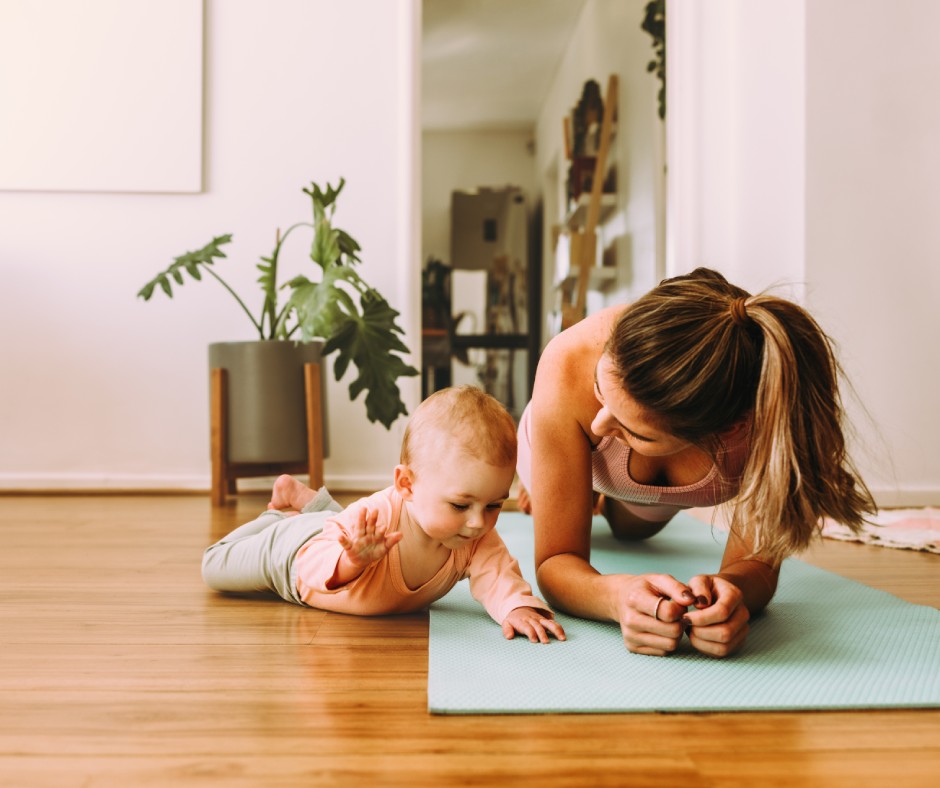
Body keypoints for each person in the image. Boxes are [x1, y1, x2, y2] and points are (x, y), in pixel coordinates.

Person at [516, 268, 874, 658]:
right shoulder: (569, 360)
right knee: (572, 504)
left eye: (638, 432)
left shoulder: (770, 422)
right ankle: (583, 494)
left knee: (632, 533)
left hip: (659, 488)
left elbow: (755, 565)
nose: (599, 425)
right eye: (600, 392)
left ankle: (611, 502)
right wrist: (617, 598)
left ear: (731, 431)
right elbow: (556, 561)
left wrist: (731, 593)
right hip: (550, 444)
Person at [202, 385, 566, 644]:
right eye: (460, 505)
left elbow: (498, 575)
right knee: (214, 567)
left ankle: (310, 503)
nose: (478, 522)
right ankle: (279, 519)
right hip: (291, 555)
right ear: (406, 485)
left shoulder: (471, 534)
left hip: (345, 535)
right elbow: (312, 568)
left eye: (494, 505)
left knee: (348, 529)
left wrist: (517, 607)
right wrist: (351, 562)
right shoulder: (376, 516)